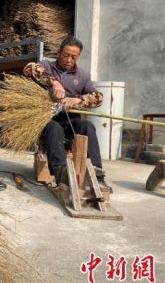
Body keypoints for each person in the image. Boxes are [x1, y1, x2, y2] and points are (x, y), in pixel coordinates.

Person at [23, 36, 112, 192]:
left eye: (74, 57)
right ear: (59, 53)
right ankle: (61, 174)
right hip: (46, 119)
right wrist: (53, 81)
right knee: (54, 128)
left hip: (70, 120)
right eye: (66, 55)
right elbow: (29, 68)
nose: (69, 59)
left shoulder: (82, 76)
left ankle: (97, 175)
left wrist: (79, 99)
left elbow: (98, 98)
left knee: (87, 126)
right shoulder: (46, 66)